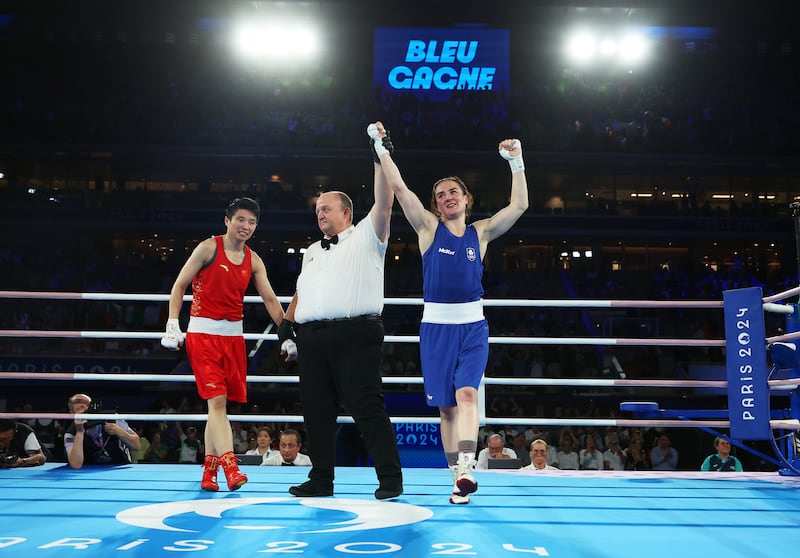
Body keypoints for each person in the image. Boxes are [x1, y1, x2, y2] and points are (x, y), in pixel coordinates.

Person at [371, 121, 529, 504]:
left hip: (473, 326)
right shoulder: (427, 227)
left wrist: (517, 162)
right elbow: (401, 190)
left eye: (453, 192)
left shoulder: (483, 232)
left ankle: (467, 466)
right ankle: (456, 477)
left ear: (466, 197)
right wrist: (381, 148)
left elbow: (520, 205)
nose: (447, 197)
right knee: (446, 410)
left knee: (468, 395)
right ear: (436, 203)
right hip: (436, 327)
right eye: (440, 195)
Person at [280, 130, 403, 500]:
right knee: (316, 412)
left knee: (366, 406)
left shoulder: (368, 234)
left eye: (327, 208)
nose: (320, 213)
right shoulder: (311, 251)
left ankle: (390, 479)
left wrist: (379, 154)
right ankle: (321, 480)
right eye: (317, 209)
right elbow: (303, 292)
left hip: (356, 333)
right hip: (312, 338)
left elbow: (385, 201)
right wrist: (286, 329)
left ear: (346, 213)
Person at [161, 196, 293, 491]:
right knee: (218, 402)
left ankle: (209, 473)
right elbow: (179, 285)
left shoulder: (253, 260)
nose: (246, 226)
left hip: (233, 337)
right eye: (241, 220)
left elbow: (270, 299)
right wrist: (173, 323)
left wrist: (286, 333)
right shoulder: (208, 248)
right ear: (227, 221)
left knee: (216, 406)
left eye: (252, 222)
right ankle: (231, 467)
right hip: (202, 334)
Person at [64, 393, 140, 469]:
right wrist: (79, 432)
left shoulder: (112, 418)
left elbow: (137, 446)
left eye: (87, 406)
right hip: (89, 472)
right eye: (79, 409)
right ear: (72, 413)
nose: (85, 410)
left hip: (119, 467)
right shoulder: (71, 433)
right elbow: (76, 465)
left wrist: (119, 431)